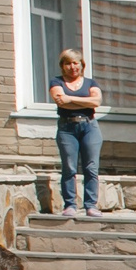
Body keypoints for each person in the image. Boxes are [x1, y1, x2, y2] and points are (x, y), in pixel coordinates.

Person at [48, 47, 102, 217]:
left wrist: (70, 98)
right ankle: (70, 204)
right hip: (67, 128)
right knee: (69, 167)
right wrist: (83, 101)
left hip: (89, 127)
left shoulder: (91, 83)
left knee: (91, 168)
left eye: (75, 63)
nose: (72, 67)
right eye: (68, 63)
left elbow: (96, 102)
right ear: (63, 66)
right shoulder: (56, 82)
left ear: (81, 65)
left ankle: (90, 205)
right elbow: (61, 103)